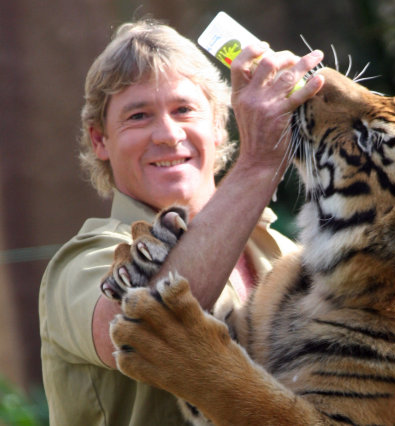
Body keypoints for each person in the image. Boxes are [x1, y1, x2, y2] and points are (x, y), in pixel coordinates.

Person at [38, 19, 324, 425]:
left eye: (184, 109)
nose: (168, 134)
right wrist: (259, 165)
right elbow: (141, 330)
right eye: (138, 116)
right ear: (100, 140)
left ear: (219, 123)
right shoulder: (83, 262)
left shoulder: (284, 252)